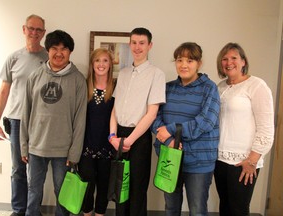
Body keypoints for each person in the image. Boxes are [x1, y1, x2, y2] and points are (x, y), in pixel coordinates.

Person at [20, 30, 87, 216]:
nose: (59, 53)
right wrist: (24, 146)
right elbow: (26, 113)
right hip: (36, 147)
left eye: (64, 49)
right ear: (48, 50)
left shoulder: (78, 81)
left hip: (63, 151)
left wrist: (74, 153)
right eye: (54, 48)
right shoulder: (35, 76)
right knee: (33, 191)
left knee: (62, 194)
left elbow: (80, 120)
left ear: (70, 52)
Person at [151, 42, 220, 216]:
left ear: (199, 63)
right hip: (170, 157)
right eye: (179, 60)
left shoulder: (209, 88)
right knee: (171, 208)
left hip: (198, 162)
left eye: (190, 60)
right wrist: (168, 139)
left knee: (197, 210)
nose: (183, 65)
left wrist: (173, 130)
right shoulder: (167, 88)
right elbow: (154, 118)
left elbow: (205, 122)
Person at [109, 27, 166, 216]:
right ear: (129, 44)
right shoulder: (124, 73)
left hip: (138, 138)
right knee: (120, 187)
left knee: (137, 189)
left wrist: (130, 141)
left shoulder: (156, 74)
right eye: (134, 42)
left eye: (142, 43)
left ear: (150, 45)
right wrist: (112, 136)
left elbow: (151, 114)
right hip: (119, 137)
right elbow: (115, 109)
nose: (137, 47)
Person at [0, 14, 47, 216]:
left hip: (40, 122)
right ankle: (18, 210)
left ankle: (33, 210)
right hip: (16, 121)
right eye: (31, 28)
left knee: (36, 172)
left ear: (43, 33)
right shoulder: (13, 58)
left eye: (39, 30)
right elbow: (3, 91)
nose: (34, 33)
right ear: (24, 29)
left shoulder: (49, 58)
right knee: (18, 168)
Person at [214, 42, 274, 216]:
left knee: (238, 209)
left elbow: (266, 128)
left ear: (243, 62)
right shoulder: (220, 87)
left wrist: (252, 160)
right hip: (220, 159)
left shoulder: (257, 85)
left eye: (234, 58)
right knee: (224, 206)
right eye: (224, 59)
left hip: (244, 161)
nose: (229, 62)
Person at [78, 48, 115, 216]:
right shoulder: (83, 86)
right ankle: (87, 214)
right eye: (97, 61)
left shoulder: (117, 87)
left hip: (108, 147)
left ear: (110, 64)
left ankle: (100, 214)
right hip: (85, 146)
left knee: (104, 185)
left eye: (105, 60)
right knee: (86, 185)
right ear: (92, 64)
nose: (101, 64)